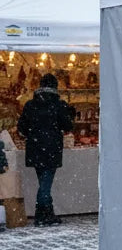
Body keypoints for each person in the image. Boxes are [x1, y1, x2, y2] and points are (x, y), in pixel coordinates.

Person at [17, 72, 76, 226]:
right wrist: (70, 115)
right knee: (45, 184)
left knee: (44, 183)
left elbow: (21, 127)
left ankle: (48, 214)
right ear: (55, 87)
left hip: (35, 148)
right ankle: (42, 215)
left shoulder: (30, 105)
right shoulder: (58, 105)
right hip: (51, 148)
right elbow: (68, 126)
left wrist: (33, 133)